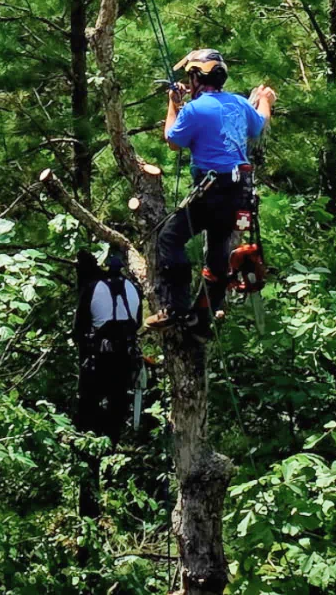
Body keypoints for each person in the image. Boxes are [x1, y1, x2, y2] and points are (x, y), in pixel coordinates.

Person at [144, 49, 276, 338]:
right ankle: (203, 319)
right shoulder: (239, 103)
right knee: (217, 254)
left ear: (196, 77)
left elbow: (173, 140)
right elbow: (259, 123)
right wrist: (265, 100)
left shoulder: (195, 109)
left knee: (170, 238)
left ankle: (176, 309)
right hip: (238, 192)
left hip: (210, 190)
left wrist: (172, 104)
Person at [73, 247, 142, 445]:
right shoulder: (133, 287)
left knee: (89, 401)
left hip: (99, 357)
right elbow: (137, 322)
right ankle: (113, 442)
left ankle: (87, 441)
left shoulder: (93, 288)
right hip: (126, 355)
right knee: (118, 401)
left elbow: (79, 327)